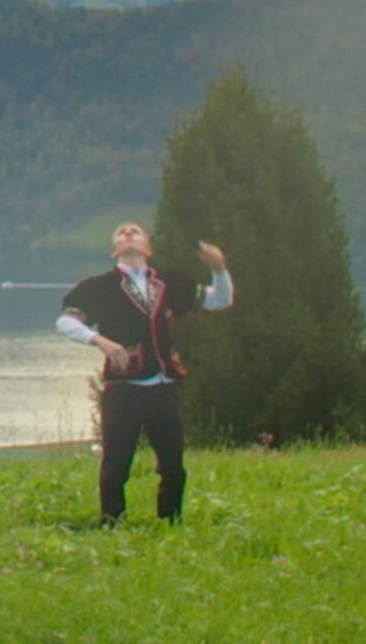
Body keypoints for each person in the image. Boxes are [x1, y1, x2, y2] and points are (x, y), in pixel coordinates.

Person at [56, 224, 235, 525]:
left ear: (148, 247)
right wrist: (99, 340)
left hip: (162, 387)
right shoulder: (98, 287)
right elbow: (65, 322)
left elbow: (221, 300)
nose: (128, 233)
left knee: (173, 465)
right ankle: (112, 523)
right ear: (114, 250)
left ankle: (170, 522)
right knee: (115, 465)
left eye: (135, 231)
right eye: (121, 232)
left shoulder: (170, 283)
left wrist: (219, 268)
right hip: (122, 388)